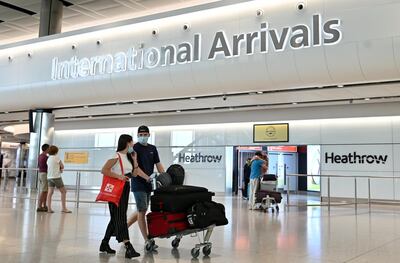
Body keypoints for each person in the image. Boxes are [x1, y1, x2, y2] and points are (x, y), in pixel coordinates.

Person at [100, 134, 140, 258]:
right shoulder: (115, 156)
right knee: (120, 217)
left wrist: (134, 160)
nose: (133, 144)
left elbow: (135, 174)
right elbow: (104, 170)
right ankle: (128, 246)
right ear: (127, 143)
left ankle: (104, 244)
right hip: (116, 188)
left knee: (115, 218)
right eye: (132, 142)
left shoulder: (128, 156)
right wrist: (119, 176)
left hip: (125, 188)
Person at [128, 125, 165, 250]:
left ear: (149, 135)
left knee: (141, 210)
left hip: (149, 184)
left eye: (145, 134)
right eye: (141, 134)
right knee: (142, 211)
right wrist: (147, 178)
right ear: (137, 135)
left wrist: (165, 177)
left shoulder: (152, 148)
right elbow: (135, 169)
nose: (143, 136)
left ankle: (123, 228)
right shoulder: (134, 149)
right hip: (138, 184)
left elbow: (158, 165)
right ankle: (147, 240)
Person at [46, 145, 71, 214]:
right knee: (64, 192)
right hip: (56, 177)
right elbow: (62, 166)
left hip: (49, 177)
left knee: (50, 193)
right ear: (56, 152)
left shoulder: (48, 158)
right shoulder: (56, 158)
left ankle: (49, 208)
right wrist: (60, 169)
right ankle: (64, 208)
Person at [37, 144, 50, 212]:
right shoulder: (46, 157)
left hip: (41, 173)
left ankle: (44, 205)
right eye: (49, 148)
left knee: (45, 190)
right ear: (47, 149)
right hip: (44, 174)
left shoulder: (40, 156)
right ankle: (39, 206)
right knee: (44, 190)